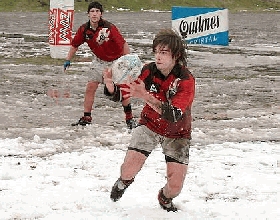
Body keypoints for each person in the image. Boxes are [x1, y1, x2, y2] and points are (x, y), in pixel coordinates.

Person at [103, 29, 195, 212]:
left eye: (163, 53)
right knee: (128, 169)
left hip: (178, 132)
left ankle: (164, 197)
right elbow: (123, 93)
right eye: (156, 52)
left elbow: (173, 114)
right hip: (149, 125)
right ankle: (123, 182)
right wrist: (110, 85)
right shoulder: (147, 70)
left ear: (175, 55)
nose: (158, 57)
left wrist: (145, 96)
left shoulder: (186, 80)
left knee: (175, 187)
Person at [64, 1, 136, 129]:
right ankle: (86, 117)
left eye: (97, 11)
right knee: (90, 86)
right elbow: (75, 44)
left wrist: (128, 63)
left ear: (101, 14)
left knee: (123, 90)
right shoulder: (84, 30)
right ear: (88, 14)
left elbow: (123, 44)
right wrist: (68, 59)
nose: (94, 14)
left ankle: (129, 119)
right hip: (99, 61)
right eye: (92, 11)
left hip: (116, 61)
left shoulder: (109, 28)